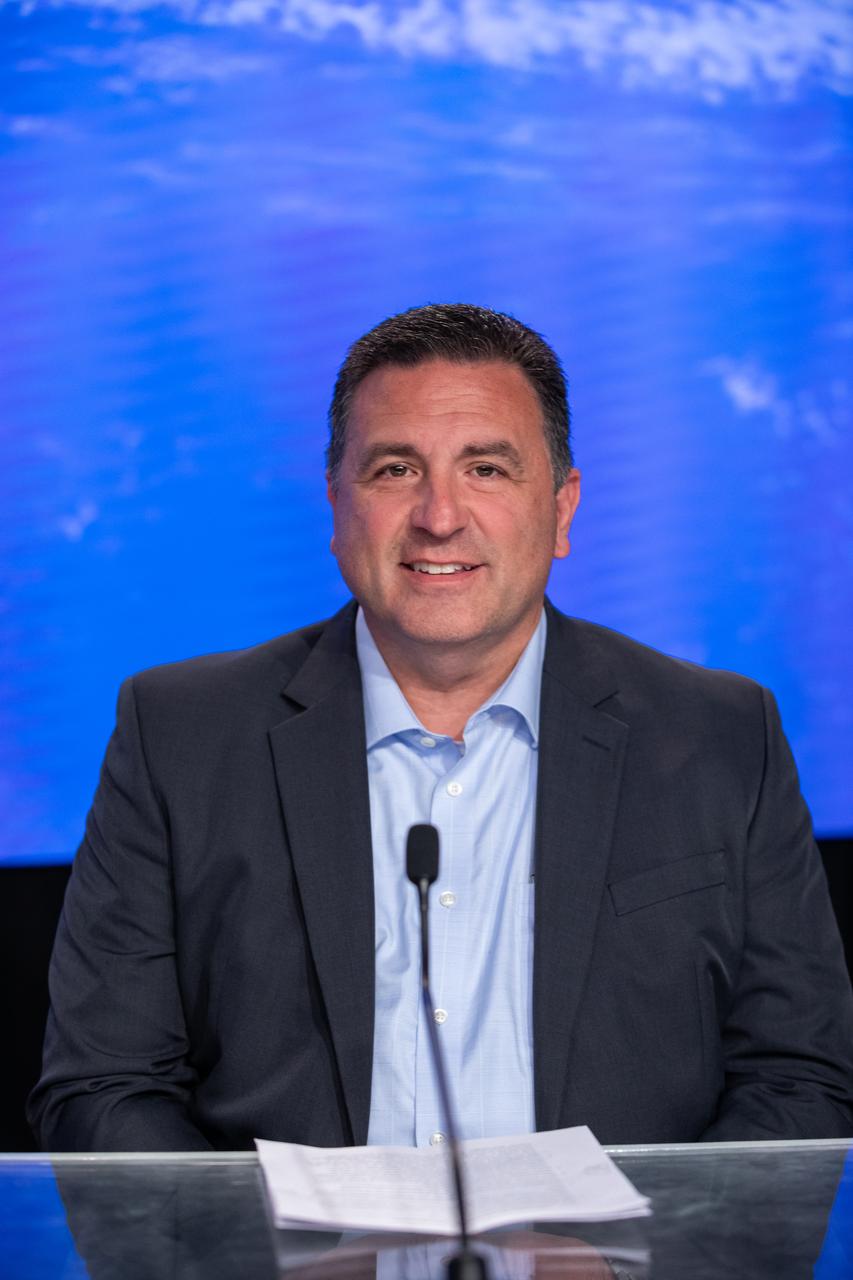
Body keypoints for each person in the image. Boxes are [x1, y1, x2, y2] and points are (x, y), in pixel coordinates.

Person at [29, 304, 853, 1152]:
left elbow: (797, 1079)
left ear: (562, 508)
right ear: (337, 505)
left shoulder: (720, 737)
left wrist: (632, 1260)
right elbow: (104, 1087)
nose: (439, 516)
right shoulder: (179, 737)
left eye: (488, 469)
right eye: (394, 470)